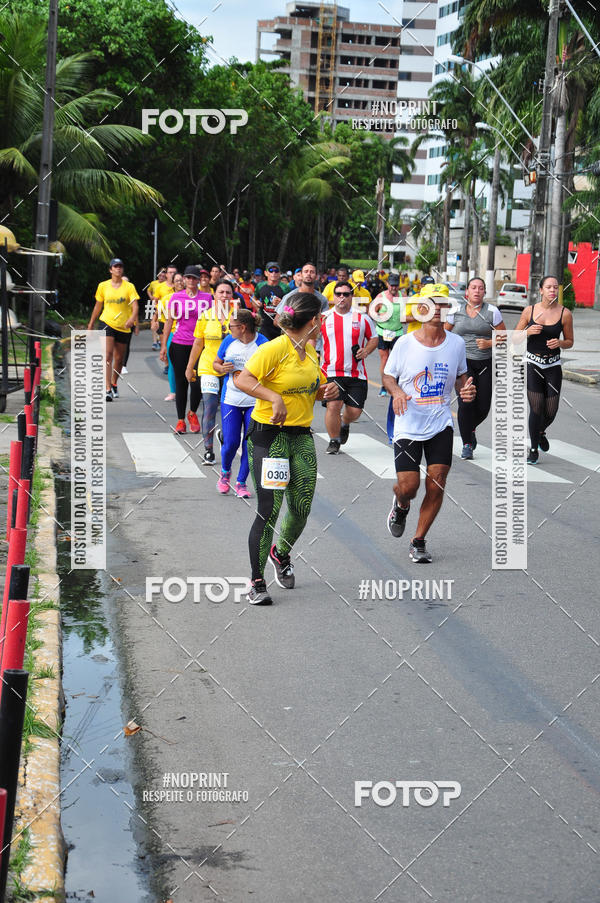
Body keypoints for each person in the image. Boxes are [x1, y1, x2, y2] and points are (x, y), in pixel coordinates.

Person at [234, 293, 339, 605]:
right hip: (271, 437)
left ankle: (280, 553)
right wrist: (273, 398)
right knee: (269, 509)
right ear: (313, 321)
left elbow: (308, 389)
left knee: (301, 507)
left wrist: (323, 391)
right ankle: (256, 582)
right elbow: (243, 379)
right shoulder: (274, 349)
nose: (323, 322)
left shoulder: (310, 350)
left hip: (301, 436)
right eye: (321, 317)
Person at [382, 283, 475, 563]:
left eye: (442, 304)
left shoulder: (456, 343)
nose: (437, 309)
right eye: (431, 304)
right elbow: (388, 376)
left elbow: (462, 377)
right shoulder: (405, 343)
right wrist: (397, 392)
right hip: (408, 423)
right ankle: (401, 504)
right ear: (421, 308)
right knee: (409, 487)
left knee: (437, 482)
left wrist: (465, 389)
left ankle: (418, 540)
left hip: (440, 423)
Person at [445, 276, 506, 459]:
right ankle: (467, 444)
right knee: (465, 403)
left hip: (485, 363)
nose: (477, 291)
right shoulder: (455, 311)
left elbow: (504, 336)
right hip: (462, 365)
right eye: (473, 287)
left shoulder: (492, 312)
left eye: (480, 288)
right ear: (467, 291)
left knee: (483, 407)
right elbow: (444, 334)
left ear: (484, 292)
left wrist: (489, 343)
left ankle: (470, 428)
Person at [515, 275, 573, 464]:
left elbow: (570, 341)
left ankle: (539, 432)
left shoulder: (565, 313)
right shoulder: (529, 311)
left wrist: (560, 343)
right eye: (548, 287)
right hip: (532, 363)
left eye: (555, 287)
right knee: (536, 407)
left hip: (553, 365)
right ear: (541, 290)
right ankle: (533, 449)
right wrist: (527, 332)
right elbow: (514, 337)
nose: (552, 290)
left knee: (551, 410)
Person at [213, 309, 268, 497]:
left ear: (243, 327)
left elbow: (273, 371)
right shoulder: (229, 341)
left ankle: (241, 483)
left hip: (255, 400)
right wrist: (222, 368)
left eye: (231, 326)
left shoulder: (263, 344)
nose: (228, 329)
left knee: (250, 443)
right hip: (231, 399)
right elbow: (215, 363)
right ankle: (225, 474)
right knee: (231, 442)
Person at [321, 280, 378, 454]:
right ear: (333, 296)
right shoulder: (324, 317)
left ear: (351, 296)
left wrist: (366, 350)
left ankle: (344, 423)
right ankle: (334, 440)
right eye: (338, 294)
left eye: (346, 294)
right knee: (333, 406)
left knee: (355, 411)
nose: (342, 297)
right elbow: (312, 338)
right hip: (331, 371)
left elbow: (374, 338)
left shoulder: (362, 317)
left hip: (356, 373)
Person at [186, 280, 236, 463]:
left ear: (232, 296)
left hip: (232, 369)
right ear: (214, 295)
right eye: (221, 292)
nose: (224, 296)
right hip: (208, 367)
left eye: (228, 292)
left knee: (231, 409)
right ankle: (208, 450)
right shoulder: (205, 316)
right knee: (209, 407)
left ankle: (224, 435)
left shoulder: (238, 316)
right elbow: (198, 343)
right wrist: (190, 366)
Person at [160, 265, 212, 434]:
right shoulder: (176, 297)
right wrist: (163, 345)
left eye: (194, 278)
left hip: (199, 345)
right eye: (188, 277)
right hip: (179, 343)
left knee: (196, 382)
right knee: (181, 382)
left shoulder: (207, 298)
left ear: (199, 280)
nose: (191, 280)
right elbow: (169, 321)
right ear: (184, 279)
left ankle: (192, 413)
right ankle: (180, 420)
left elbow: (212, 321)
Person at [87, 258, 139, 401]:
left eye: (120, 266)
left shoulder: (129, 287)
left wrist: (132, 319)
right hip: (106, 322)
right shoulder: (103, 286)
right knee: (107, 355)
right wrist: (91, 323)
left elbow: (135, 306)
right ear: (110, 270)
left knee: (119, 358)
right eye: (115, 266)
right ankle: (107, 388)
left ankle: (114, 382)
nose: (118, 269)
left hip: (123, 325)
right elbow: (98, 306)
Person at [370, 273, 404, 397]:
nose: (393, 288)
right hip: (383, 332)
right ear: (387, 284)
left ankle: (395, 384)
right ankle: (384, 386)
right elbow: (372, 313)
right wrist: (381, 316)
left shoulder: (403, 296)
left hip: (397, 332)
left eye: (396, 285)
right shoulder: (381, 297)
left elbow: (406, 314)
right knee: (385, 359)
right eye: (391, 285)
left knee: (397, 361)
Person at [252, 261, 291, 341]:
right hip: (263, 325)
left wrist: (281, 303)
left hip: (279, 325)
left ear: (280, 274)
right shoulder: (260, 286)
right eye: (271, 271)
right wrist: (257, 305)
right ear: (266, 273)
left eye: (276, 271)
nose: (273, 273)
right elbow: (254, 299)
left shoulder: (285, 288)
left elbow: (291, 305)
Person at [148, 268, 166, 350]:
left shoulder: (168, 285)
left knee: (162, 324)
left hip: (164, 308)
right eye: (160, 275)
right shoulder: (153, 283)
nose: (161, 277)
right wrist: (151, 297)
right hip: (155, 306)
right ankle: (155, 342)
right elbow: (148, 290)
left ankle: (160, 339)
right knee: (154, 323)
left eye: (163, 276)